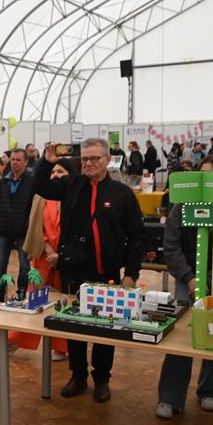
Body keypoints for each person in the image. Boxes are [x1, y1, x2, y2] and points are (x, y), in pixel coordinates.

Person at [33, 138, 144, 403]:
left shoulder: (121, 193)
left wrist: (131, 273)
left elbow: (137, 236)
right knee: (75, 325)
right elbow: (39, 187)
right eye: (85, 159)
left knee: (106, 327)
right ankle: (78, 375)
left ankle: (102, 378)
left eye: (95, 158)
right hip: (74, 270)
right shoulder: (70, 185)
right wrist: (46, 161)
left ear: (108, 160)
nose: (89, 163)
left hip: (107, 272)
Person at [155, 155, 213, 418]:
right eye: (202, 175)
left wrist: (211, 282)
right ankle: (170, 397)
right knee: (180, 340)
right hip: (187, 283)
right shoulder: (181, 206)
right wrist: (190, 278)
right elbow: (171, 246)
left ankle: (210, 391)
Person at [8, 159, 79, 360]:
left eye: (61, 171)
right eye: (53, 171)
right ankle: (15, 340)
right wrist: (47, 249)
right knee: (35, 299)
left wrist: (60, 255)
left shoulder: (76, 197)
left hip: (66, 258)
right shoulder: (41, 197)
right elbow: (35, 225)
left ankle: (60, 347)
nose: (55, 175)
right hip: (43, 256)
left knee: (63, 301)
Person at [0, 149, 33, 305]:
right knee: (0, 265)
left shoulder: (31, 182)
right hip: (4, 230)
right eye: (13, 160)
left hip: (23, 231)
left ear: (26, 162)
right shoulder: (4, 181)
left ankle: (21, 293)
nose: (14, 162)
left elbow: (33, 206)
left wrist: (26, 225)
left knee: (24, 265)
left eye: (18, 160)